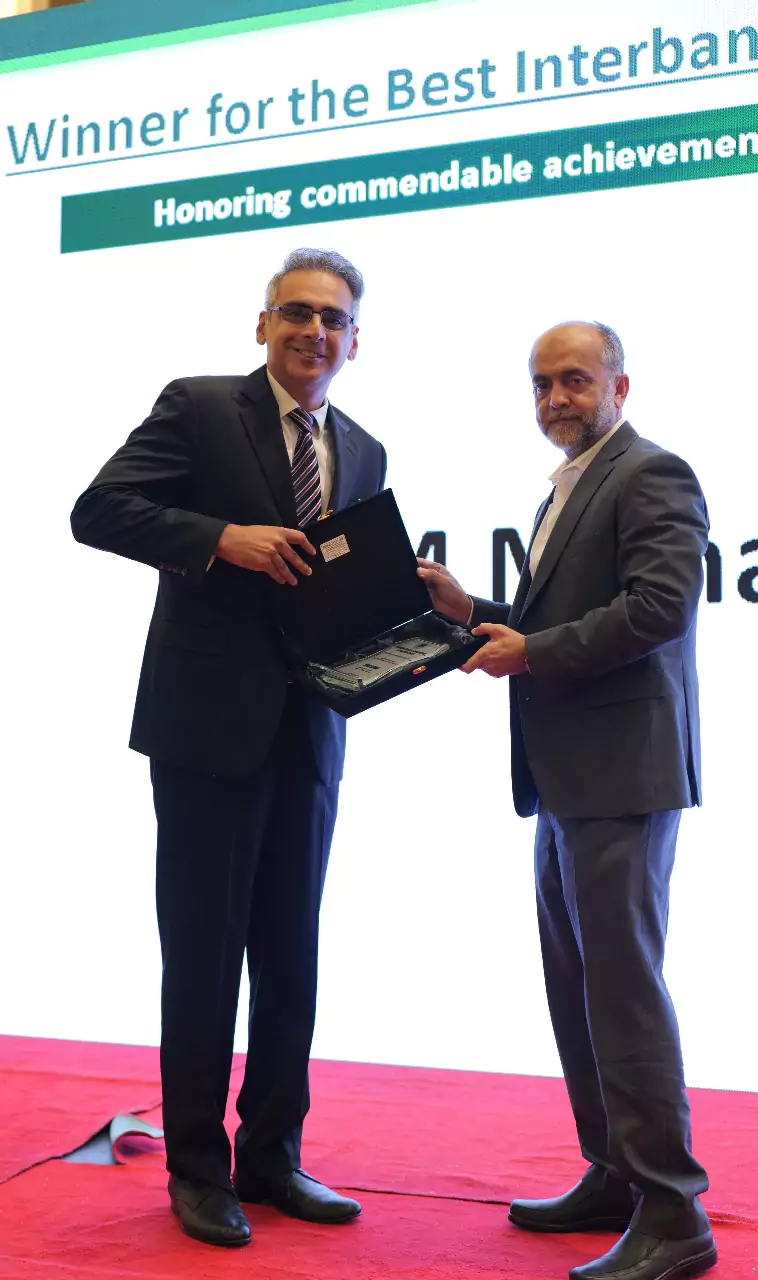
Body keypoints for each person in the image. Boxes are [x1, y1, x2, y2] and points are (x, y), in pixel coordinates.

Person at [71, 248, 387, 1248]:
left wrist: (405, 619)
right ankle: (199, 1169)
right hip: (207, 729)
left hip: (313, 731)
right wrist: (220, 538)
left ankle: (273, 1157)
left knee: (291, 954)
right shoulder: (200, 406)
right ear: (262, 324)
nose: (313, 331)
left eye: (332, 319)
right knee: (204, 955)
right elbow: (98, 510)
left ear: (354, 340)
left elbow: (339, 591)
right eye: (296, 312)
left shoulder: (365, 451)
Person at [418, 321, 716, 1280]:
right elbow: (562, 619)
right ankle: (616, 1176)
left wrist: (532, 651)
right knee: (580, 988)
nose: (556, 398)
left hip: (622, 774)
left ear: (619, 386)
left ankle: (673, 1214)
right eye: (542, 383)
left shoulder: (650, 473)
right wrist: (473, 614)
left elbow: (658, 607)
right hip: (566, 779)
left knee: (621, 995)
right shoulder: (568, 486)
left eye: (575, 380)